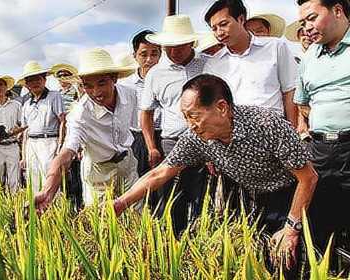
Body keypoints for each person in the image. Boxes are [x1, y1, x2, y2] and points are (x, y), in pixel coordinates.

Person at [113, 74, 318, 274]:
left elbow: (308, 177)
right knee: (259, 263)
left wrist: (292, 228)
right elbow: (160, 172)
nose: (190, 125)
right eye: (185, 117)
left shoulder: (267, 125)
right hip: (252, 199)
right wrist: (121, 203)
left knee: (293, 262)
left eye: (194, 116)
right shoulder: (196, 138)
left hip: (293, 198)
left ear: (222, 107)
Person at [34, 48, 138, 209]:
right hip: (99, 172)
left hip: (127, 163)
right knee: (101, 221)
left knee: (135, 216)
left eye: (101, 83)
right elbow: (67, 152)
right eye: (88, 86)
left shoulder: (130, 95)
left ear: (114, 78)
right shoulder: (80, 113)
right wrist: (48, 190)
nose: (96, 92)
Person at [142, 15, 208, 235]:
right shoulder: (155, 74)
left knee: (203, 197)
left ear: (191, 43)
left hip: (206, 141)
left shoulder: (207, 64)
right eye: (169, 47)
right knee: (172, 197)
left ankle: (202, 241)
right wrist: (152, 146)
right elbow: (146, 114)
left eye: (180, 46)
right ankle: (173, 243)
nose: (174, 52)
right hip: (172, 142)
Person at [294, 0, 350, 254]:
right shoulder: (309, 58)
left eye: (312, 18)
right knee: (320, 229)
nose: (307, 27)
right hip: (320, 152)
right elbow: (303, 103)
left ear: (337, 10)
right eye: (303, 22)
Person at [204, 0, 298, 128]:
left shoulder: (275, 47)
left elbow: (289, 91)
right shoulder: (213, 63)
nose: (219, 33)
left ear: (241, 19)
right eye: (214, 29)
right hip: (235, 133)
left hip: (274, 130)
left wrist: (292, 131)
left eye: (224, 24)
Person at [18, 61, 67, 194]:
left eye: (38, 79)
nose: (35, 83)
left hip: (49, 141)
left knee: (50, 176)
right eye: (31, 80)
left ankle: (55, 209)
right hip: (31, 143)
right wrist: (23, 155)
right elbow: (25, 130)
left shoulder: (54, 96)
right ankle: (37, 209)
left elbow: (62, 121)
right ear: (27, 85)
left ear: (44, 80)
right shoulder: (27, 104)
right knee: (32, 176)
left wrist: (60, 145)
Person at [119, 30, 162, 178]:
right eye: (144, 54)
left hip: (163, 136)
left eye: (154, 54)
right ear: (135, 56)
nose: (149, 59)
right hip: (137, 139)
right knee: (140, 181)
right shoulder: (125, 85)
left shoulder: (166, 80)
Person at [52, 63, 84, 209]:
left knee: (78, 172)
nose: (63, 78)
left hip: (78, 131)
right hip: (65, 131)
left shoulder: (77, 92)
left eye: (65, 75)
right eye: (60, 76)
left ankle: (79, 203)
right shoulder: (56, 94)